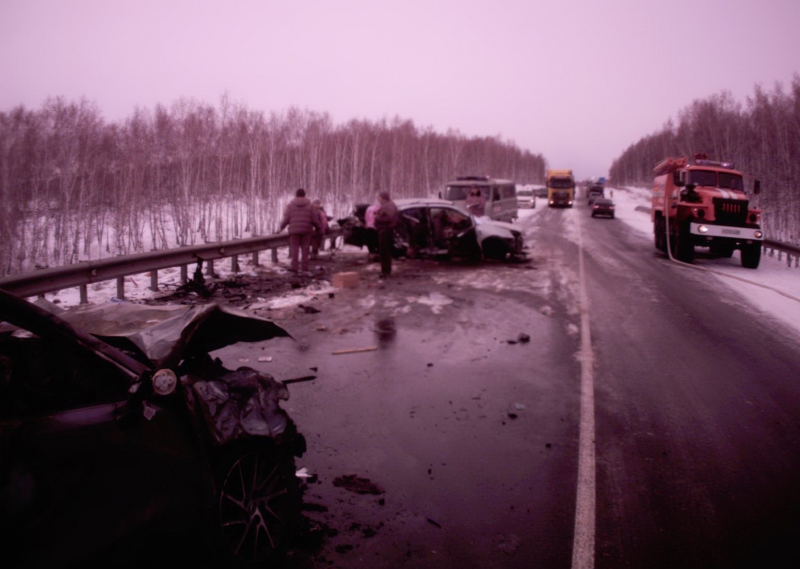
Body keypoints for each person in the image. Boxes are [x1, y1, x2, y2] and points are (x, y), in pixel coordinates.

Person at [279, 188, 321, 274]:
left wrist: (281, 228)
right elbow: (314, 219)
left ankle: (294, 268)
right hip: (306, 231)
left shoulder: (290, 205)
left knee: (295, 249)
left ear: (296, 195)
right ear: (304, 195)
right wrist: (318, 227)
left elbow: (286, 219)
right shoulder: (310, 206)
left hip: (294, 231)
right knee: (305, 249)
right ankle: (304, 268)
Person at [373, 191, 399, 278]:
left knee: (385, 252)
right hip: (383, 230)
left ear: (383, 197)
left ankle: (386, 271)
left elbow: (389, 217)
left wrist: (378, 217)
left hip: (386, 230)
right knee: (383, 252)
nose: (378, 199)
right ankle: (385, 270)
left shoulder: (390, 205)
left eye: (379, 197)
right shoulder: (387, 205)